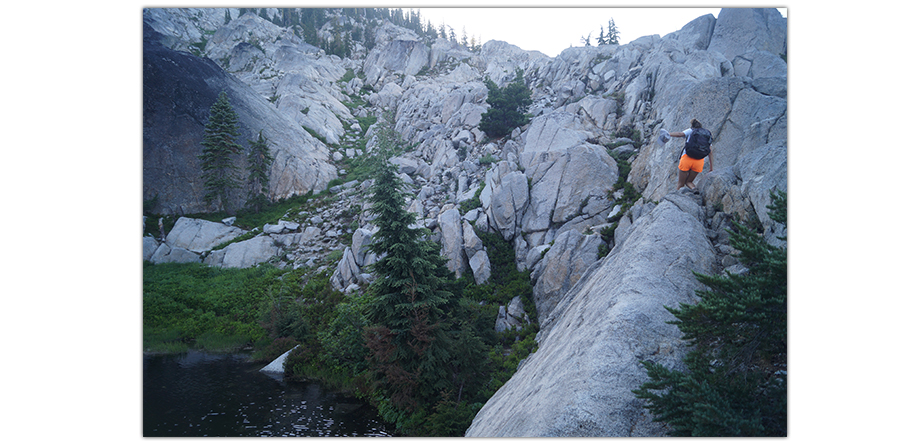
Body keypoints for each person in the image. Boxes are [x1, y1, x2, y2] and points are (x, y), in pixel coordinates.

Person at [669, 118, 713, 193]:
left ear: (692, 125)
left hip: (687, 159)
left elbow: (680, 134)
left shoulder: (691, 130)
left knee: (680, 184)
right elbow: (710, 152)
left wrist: (668, 134)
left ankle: (675, 199)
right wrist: (711, 168)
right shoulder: (706, 135)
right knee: (689, 182)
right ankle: (694, 189)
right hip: (699, 162)